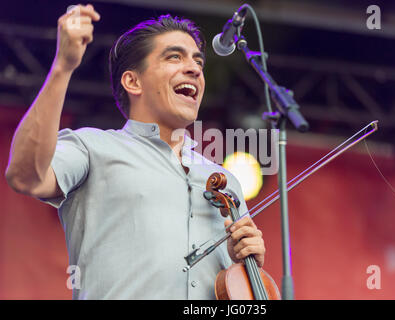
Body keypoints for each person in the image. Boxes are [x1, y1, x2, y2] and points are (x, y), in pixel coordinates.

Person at [5, 4, 266, 299]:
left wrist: (243, 265)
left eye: (198, 62)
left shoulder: (225, 180)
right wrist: (62, 67)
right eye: (174, 57)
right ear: (132, 81)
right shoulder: (93, 147)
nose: (194, 68)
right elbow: (25, 176)